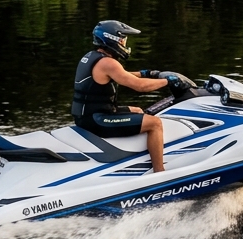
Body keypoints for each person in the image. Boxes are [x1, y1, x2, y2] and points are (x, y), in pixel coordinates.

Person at [71, 20, 185, 173]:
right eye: (122, 39)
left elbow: (121, 75)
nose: (124, 43)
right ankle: (159, 172)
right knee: (155, 123)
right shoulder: (108, 63)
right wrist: (167, 81)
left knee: (137, 110)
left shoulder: (92, 57)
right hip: (97, 120)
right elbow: (140, 86)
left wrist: (147, 73)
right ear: (112, 39)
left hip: (88, 115)